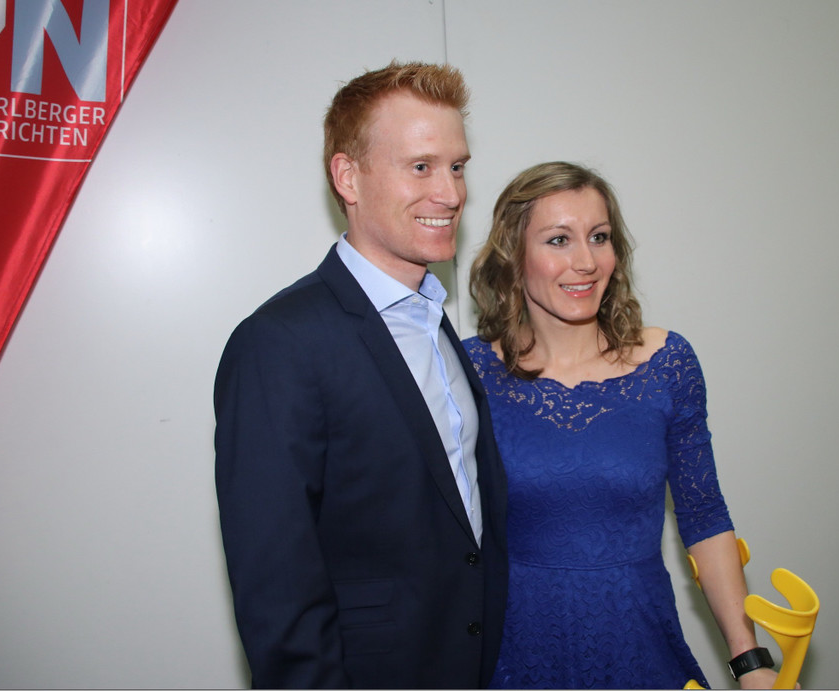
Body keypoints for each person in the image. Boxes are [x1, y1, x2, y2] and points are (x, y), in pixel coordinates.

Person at [214, 61, 508, 689]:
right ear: (348, 176)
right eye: (421, 166)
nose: (451, 193)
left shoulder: (434, 319)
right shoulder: (279, 342)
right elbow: (276, 588)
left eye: (457, 167)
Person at [463, 161, 778, 689]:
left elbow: (704, 515)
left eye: (599, 237)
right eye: (559, 239)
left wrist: (751, 661)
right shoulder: (468, 371)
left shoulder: (667, 364)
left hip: (640, 649)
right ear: (513, 256)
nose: (586, 261)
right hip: (513, 655)